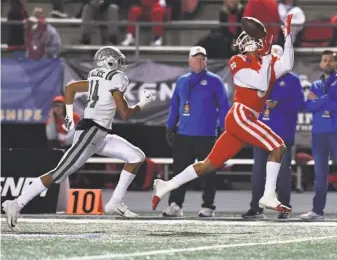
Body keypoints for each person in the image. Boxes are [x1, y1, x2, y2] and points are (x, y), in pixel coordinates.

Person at [152, 14, 294, 213]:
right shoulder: (238, 61)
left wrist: (287, 37)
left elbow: (287, 64)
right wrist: (268, 55)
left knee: (208, 164)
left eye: (254, 40)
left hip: (247, 118)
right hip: (240, 115)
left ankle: (167, 185)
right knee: (278, 147)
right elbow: (261, 83)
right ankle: (268, 195)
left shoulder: (267, 62)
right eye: (248, 41)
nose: (251, 43)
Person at [2, 46, 155, 229]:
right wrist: (142, 104)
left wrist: (68, 115)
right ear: (109, 62)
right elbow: (125, 114)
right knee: (59, 173)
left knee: (136, 156)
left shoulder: (96, 75)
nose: (121, 65)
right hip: (91, 133)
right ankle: (16, 203)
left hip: (99, 133)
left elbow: (71, 87)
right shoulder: (116, 78)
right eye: (117, 61)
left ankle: (115, 202)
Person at [163, 46, 230, 217]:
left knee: (208, 172)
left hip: (206, 135)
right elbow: (174, 107)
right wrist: (170, 126)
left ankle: (208, 206)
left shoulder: (215, 81)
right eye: (196, 58)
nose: (199, 61)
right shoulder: (182, 81)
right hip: (184, 134)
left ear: (206, 61)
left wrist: (225, 130)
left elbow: (224, 107)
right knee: (179, 171)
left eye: (202, 58)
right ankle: (175, 204)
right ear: (189, 60)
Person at [242, 45, 305, 219]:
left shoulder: (292, 79)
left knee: (283, 173)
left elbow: (301, 104)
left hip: (282, 135)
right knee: (258, 173)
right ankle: (256, 207)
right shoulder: (258, 79)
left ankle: (284, 207)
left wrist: (280, 105)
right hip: (261, 133)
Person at [300, 50, 337, 221]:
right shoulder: (315, 85)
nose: (328, 63)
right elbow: (309, 107)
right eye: (325, 60)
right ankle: (317, 211)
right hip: (319, 134)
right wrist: (327, 99)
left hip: (335, 132)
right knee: (320, 174)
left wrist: (320, 100)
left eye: (331, 60)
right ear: (321, 63)